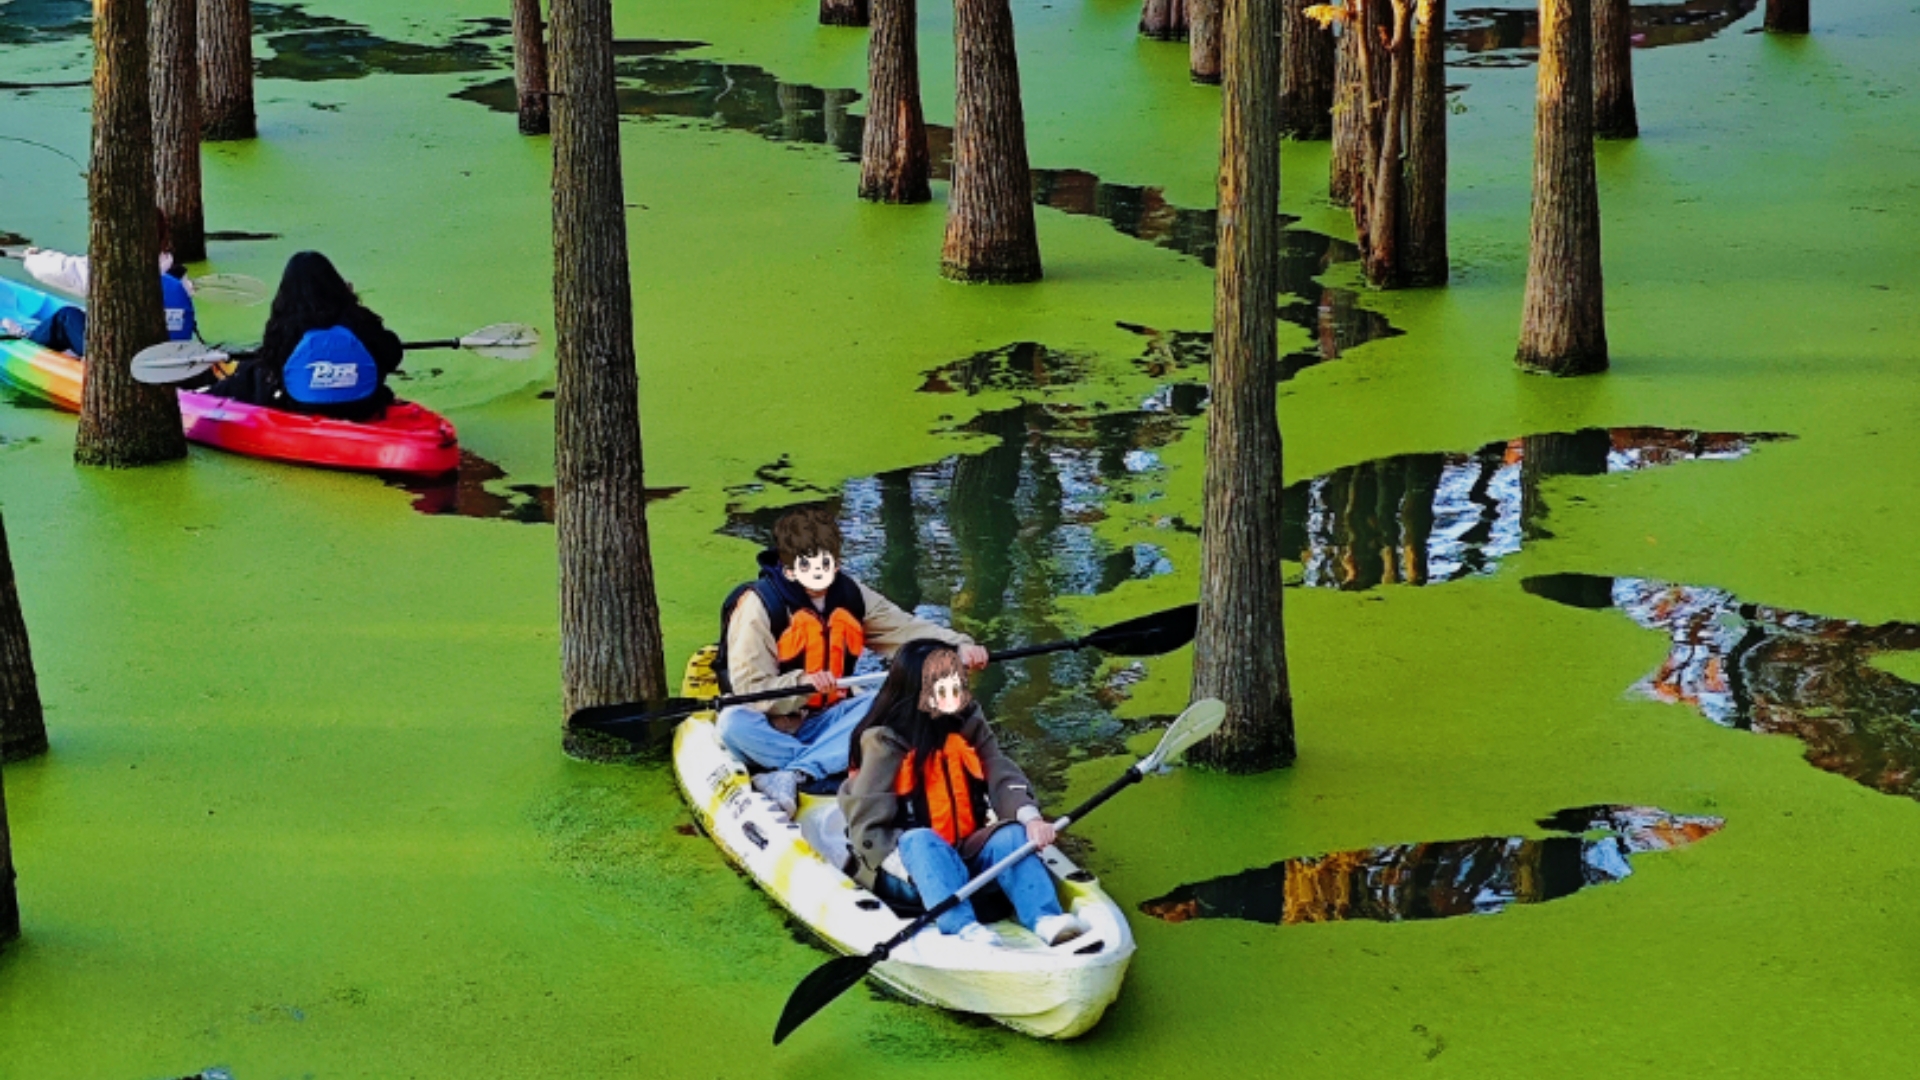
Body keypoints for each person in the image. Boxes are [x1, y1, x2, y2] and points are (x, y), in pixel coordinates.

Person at [716, 506, 986, 815]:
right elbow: (752, 689)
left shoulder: (851, 595)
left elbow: (906, 630)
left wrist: (956, 648)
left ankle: (794, 774)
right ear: (789, 568)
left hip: (831, 718)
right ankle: (832, 761)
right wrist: (802, 685)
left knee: (898, 702)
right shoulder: (758, 607)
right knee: (731, 724)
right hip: (772, 725)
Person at [840, 640, 1090, 948]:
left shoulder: (967, 720)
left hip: (963, 852)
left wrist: (1032, 819)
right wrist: (918, 870)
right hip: (910, 868)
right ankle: (963, 928)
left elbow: (1000, 772)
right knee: (920, 840)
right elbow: (866, 828)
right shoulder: (883, 742)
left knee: (1011, 834)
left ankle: (1044, 918)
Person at [205, 251, 402, 422]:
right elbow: (393, 354)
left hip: (302, 407)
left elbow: (272, 364)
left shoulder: (285, 325)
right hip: (362, 407)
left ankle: (207, 395)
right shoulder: (360, 319)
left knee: (252, 372)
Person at [0, 215, 197, 357]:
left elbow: (64, 271)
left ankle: (28, 342)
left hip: (119, 359)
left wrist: (32, 259)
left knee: (66, 317)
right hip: (170, 359)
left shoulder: (114, 272)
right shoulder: (176, 275)